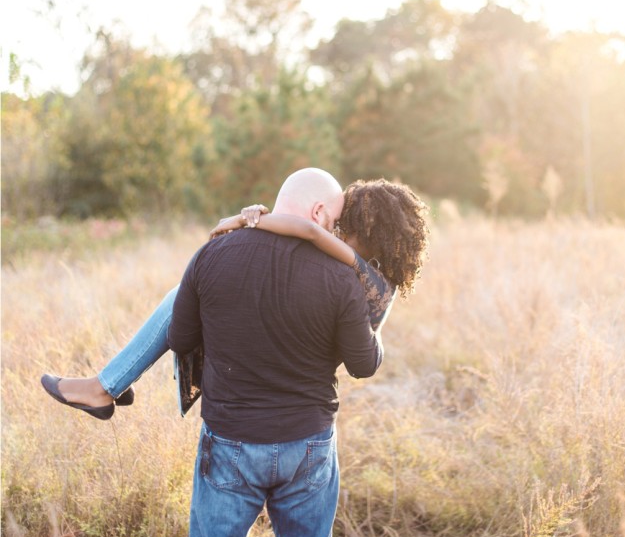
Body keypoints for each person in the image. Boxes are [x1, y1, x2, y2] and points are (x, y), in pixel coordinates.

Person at [169, 167, 382, 537]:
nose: (336, 232)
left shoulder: (212, 254)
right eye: (334, 221)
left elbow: (184, 338)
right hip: (308, 447)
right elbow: (363, 365)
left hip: (230, 444)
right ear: (317, 215)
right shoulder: (341, 280)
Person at [40, 177, 429, 420]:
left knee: (182, 297)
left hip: (353, 354)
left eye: (346, 226)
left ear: (368, 232)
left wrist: (244, 220)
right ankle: (106, 386)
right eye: (336, 224)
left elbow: (308, 232)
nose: (338, 231)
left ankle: (103, 387)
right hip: (323, 357)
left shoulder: (363, 268)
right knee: (194, 297)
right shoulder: (369, 270)